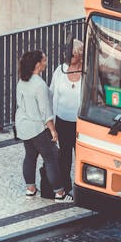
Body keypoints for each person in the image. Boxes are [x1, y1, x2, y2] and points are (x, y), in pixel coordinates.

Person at [15, 50, 72, 202]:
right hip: (38, 128)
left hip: (24, 127)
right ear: (37, 64)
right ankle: (60, 193)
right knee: (51, 158)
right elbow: (45, 112)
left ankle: (30, 189)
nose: (46, 63)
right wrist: (53, 131)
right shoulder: (39, 84)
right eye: (44, 60)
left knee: (30, 156)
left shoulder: (22, 81)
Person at [49, 39, 83, 194]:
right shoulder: (60, 70)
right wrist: (51, 122)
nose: (69, 57)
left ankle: (82, 184)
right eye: (67, 54)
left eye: (73, 55)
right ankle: (66, 186)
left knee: (82, 155)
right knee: (65, 156)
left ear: (80, 55)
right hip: (62, 121)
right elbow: (51, 93)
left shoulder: (87, 73)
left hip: (81, 124)